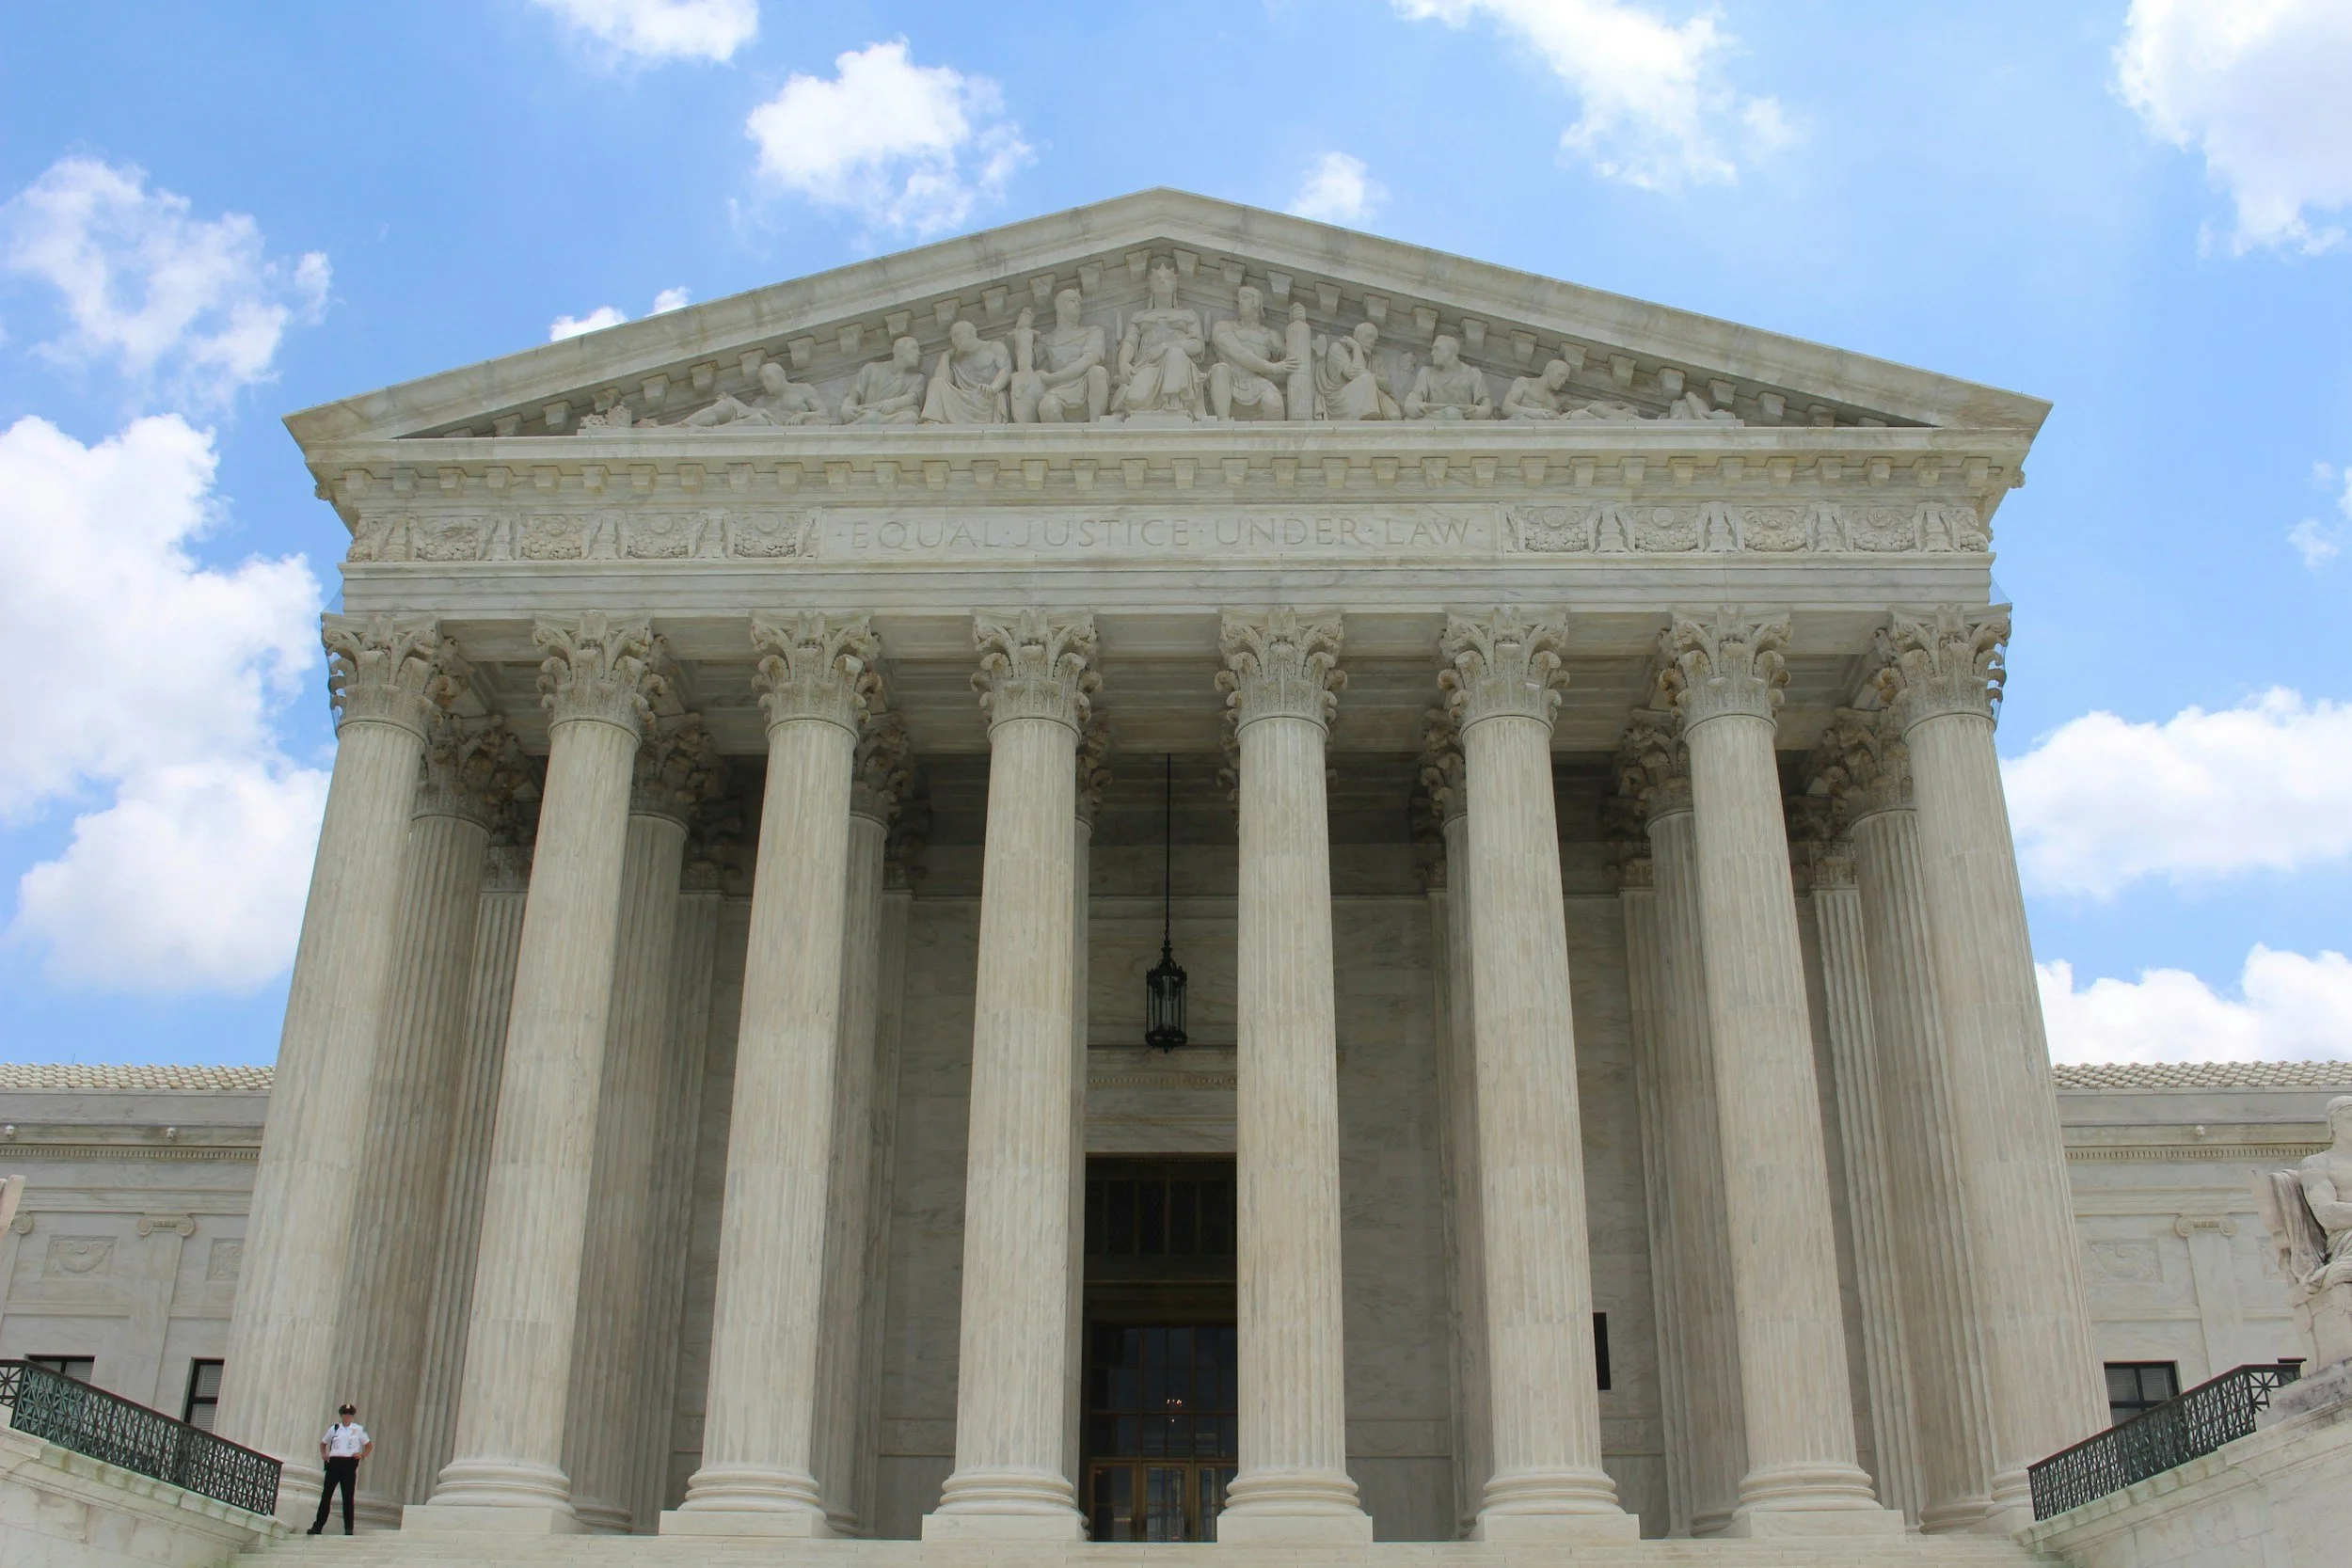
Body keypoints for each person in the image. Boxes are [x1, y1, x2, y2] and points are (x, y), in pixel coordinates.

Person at [309, 1402, 372, 1535]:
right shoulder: (335, 1428)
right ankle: (318, 1526)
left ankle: (348, 1528)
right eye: (345, 1414)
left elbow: (369, 1445)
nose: (347, 1417)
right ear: (341, 1415)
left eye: (349, 1414)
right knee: (326, 1495)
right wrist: (324, 1454)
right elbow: (323, 1443)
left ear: (352, 1416)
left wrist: (362, 1456)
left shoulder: (358, 1429)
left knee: (348, 1497)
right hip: (335, 1463)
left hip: (349, 1463)